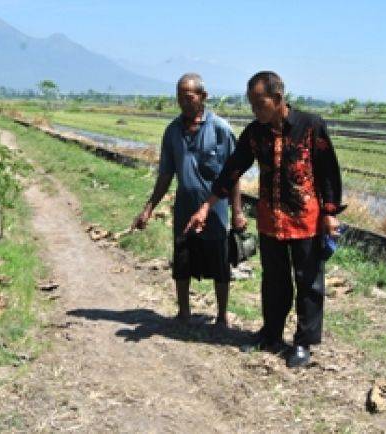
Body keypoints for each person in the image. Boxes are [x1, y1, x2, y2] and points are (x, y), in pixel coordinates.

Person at [185, 71, 344, 367]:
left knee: (308, 282)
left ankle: (303, 342)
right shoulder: (255, 133)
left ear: (278, 99)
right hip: (271, 220)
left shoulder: (311, 126)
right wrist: (207, 205)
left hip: (305, 221)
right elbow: (233, 169)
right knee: (274, 281)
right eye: (252, 104)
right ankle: (271, 333)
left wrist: (330, 214)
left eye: (260, 103)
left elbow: (328, 173)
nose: (255, 110)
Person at [132, 73, 246, 328]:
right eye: (179, 97)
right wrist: (148, 208)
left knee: (220, 262)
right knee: (182, 258)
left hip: (215, 207)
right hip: (185, 204)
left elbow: (234, 174)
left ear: (203, 97)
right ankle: (184, 312)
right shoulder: (172, 131)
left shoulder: (220, 129)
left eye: (189, 97)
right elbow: (165, 174)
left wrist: (237, 211)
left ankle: (222, 317)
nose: (183, 102)